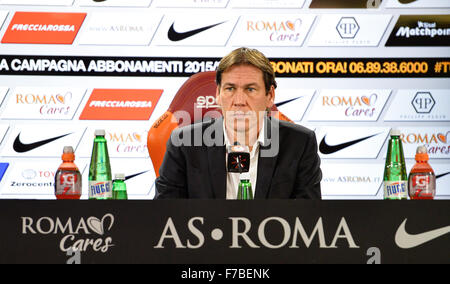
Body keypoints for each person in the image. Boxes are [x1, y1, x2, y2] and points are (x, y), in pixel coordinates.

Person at [154, 47, 322, 199]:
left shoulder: (300, 143)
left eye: (250, 89)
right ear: (218, 94)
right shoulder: (183, 142)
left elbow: (308, 219)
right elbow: (164, 216)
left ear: (270, 95)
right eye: (230, 89)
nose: (239, 101)